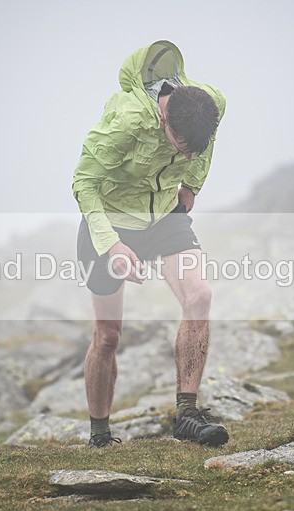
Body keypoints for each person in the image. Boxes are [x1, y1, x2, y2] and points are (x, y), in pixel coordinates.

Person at [73, 40, 227, 448]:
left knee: (200, 296)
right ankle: (100, 435)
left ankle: (188, 416)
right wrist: (111, 245)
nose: (186, 153)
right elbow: (83, 183)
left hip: (164, 216)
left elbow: (205, 144)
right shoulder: (125, 121)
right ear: (163, 121)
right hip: (110, 220)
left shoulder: (210, 103)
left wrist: (192, 183)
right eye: (179, 146)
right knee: (108, 336)